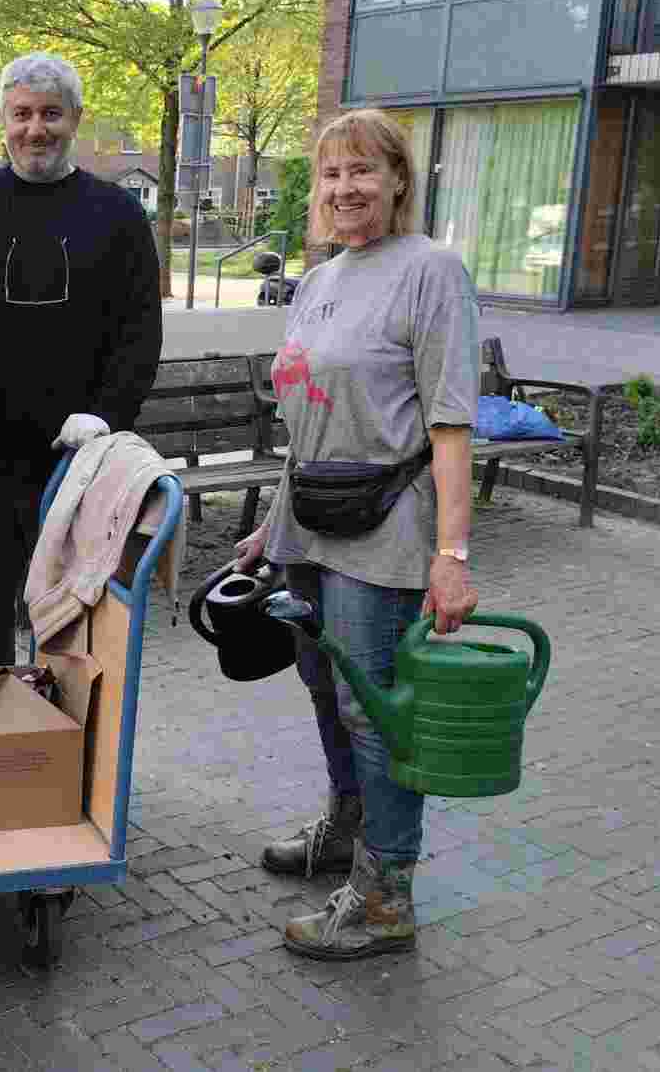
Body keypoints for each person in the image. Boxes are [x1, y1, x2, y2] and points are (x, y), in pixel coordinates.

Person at [233, 108, 479, 961]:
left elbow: (450, 424)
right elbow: (309, 416)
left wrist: (452, 557)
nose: (344, 189)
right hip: (310, 519)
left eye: (362, 172)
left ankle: (384, 897)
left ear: (399, 181)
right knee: (319, 683)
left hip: (387, 524)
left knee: (375, 710)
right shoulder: (320, 277)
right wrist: (272, 525)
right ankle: (345, 829)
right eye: (332, 174)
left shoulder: (432, 270)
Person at [0, 51, 162, 668]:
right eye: (21, 114)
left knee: (73, 628)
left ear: (75, 119)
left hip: (79, 464)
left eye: (51, 113)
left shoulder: (119, 215)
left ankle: (62, 753)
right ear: (3, 120)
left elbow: (140, 333)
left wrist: (107, 415)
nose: (35, 128)